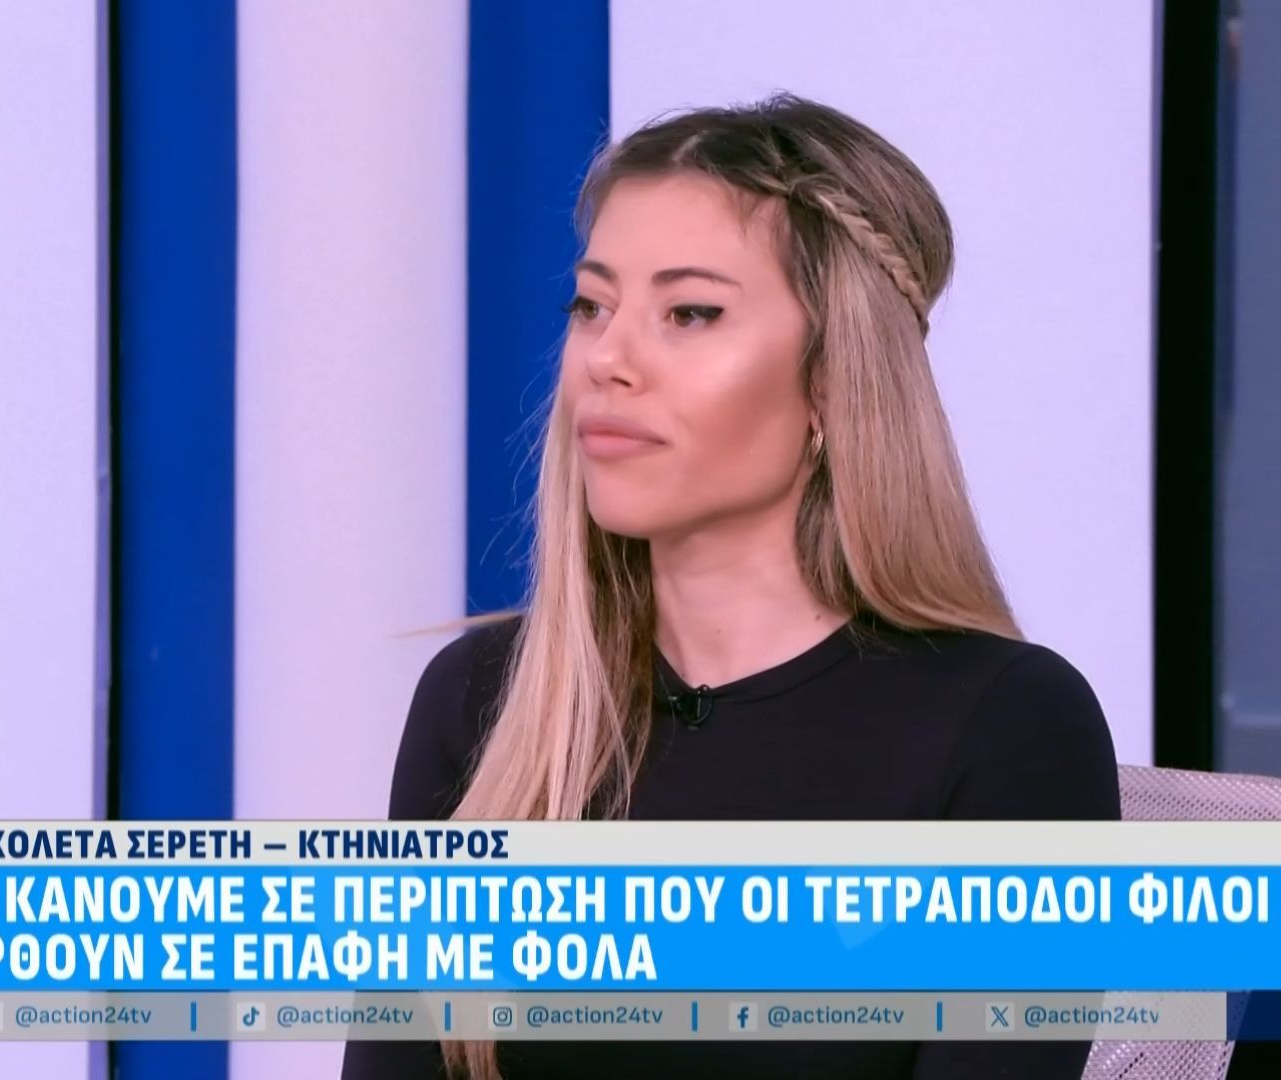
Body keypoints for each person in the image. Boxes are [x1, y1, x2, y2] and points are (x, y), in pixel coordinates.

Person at [342, 91, 1120, 1080]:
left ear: (833, 381)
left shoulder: (1008, 724)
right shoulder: (485, 699)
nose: (608, 360)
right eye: (591, 306)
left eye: (690, 313)